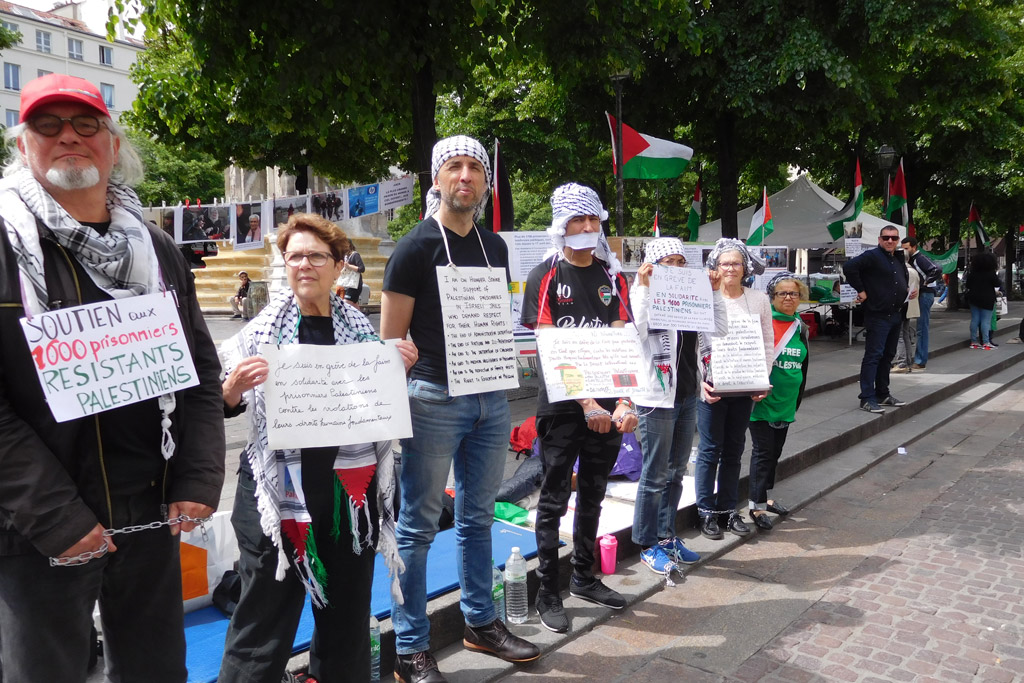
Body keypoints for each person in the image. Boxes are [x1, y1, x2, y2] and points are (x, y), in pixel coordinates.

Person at [0, 73, 224, 682]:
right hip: (36, 528)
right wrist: (56, 518)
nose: (68, 137)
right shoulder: (3, 243)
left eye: (86, 124)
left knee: (156, 671)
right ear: (24, 146)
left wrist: (199, 475)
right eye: (48, 125)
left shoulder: (155, 248)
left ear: (113, 143)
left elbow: (201, 372)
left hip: (146, 509)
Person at [217, 213, 417, 683]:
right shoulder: (257, 333)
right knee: (262, 624)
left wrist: (398, 368)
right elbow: (217, 404)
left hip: (348, 500)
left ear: (337, 266)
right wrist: (230, 389)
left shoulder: (364, 334)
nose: (304, 265)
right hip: (276, 500)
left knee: (346, 623)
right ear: (283, 265)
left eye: (316, 256)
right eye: (294, 256)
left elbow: (378, 410)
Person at [381, 136, 539, 683]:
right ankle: (410, 646)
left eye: (475, 167)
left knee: (478, 517)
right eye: (455, 166)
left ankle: (481, 622)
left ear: (486, 180)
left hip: (491, 398)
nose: (466, 175)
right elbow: (391, 341)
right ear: (438, 178)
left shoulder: (495, 246)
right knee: (417, 527)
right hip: (432, 399)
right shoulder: (415, 246)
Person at [521, 183, 638, 632]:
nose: (587, 228)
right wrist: (588, 401)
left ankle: (584, 577)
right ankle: (548, 591)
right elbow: (548, 345)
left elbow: (624, 342)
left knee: (594, 492)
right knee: (553, 499)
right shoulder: (544, 275)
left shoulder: (613, 277)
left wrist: (625, 399)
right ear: (561, 226)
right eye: (577, 221)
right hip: (563, 408)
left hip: (608, 409)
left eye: (593, 220)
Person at [629, 238, 727, 574]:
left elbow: (720, 329)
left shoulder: (691, 297)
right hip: (656, 397)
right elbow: (636, 333)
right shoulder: (641, 293)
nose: (676, 268)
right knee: (655, 474)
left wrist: (713, 292)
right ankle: (646, 543)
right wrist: (643, 288)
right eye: (667, 262)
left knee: (675, 473)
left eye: (680, 262)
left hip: (686, 393)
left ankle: (667, 535)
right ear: (653, 266)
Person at [694, 239, 772, 540]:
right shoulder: (706, 298)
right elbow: (694, 345)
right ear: (715, 267)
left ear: (745, 268)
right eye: (724, 263)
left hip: (745, 385)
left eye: (736, 263)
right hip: (713, 387)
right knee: (710, 449)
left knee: (734, 449)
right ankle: (706, 510)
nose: (730, 268)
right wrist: (700, 379)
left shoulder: (759, 299)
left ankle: (727, 509)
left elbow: (766, 342)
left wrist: (761, 378)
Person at [747, 273, 810, 531]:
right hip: (762, 401)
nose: (788, 297)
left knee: (775, 452)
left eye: (793, 293)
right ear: (772, 298)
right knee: (763, 453)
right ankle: (756, 505)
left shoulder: (800, 326)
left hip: (787, 401)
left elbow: (804, 363)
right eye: (782, 293)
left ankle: (766, 496)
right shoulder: (764, 323)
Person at [842, 225, 909, 414]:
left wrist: (907, 292)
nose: (890, 241)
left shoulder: (897, 258)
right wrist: (861, 290)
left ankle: (882, 393)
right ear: (879, 239)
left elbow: (897, 280)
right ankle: (867, 397)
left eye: (894, 238)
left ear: (898, 240)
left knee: (888, 356)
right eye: (886, 238)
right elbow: (849, 267)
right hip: (878, 315)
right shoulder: (872, 256)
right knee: (873, 356)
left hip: (895, 314)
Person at [901, 237, 941, 370]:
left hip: (924, 294)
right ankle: (918, 358)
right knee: (920, 327)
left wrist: (925, 282)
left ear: (914, 247)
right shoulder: (913, 259)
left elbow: (936, 269)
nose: (904, 251)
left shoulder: (919, 259)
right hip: (922, 294)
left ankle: (920, 360)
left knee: (921, 328)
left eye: (906, 248)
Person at [965, 251, 1002, 350]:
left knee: (975, 320)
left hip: (973, 298)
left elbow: (967, 285)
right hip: (987, 298)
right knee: (986, 321)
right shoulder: (991, 273)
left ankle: (974, 342)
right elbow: (997, 284)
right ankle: (986, 342)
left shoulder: (972, 273)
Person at [892, 262, 920, 373]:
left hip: (901, 306)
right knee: (906, 334)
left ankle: (902, 363)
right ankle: (908, 362)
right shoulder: (914, 271)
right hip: (910, 306)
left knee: (900, 336)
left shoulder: (901, 272)